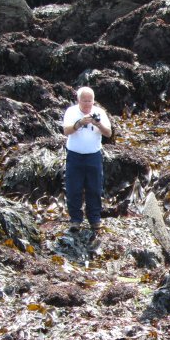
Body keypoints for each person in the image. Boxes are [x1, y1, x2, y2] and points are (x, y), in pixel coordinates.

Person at [62, 86, 112, 237]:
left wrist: (98, 124)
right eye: (84, 101)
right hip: (75, 155)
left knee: (95, 188)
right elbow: (66, 131)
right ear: (78, 100)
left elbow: (109, 133)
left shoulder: (100, 112)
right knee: (73, 188)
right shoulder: (71, 111)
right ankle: (75, 220)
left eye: (90, 101)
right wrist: (80, 123)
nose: (87, 104)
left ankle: (95, 219)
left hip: (93, 156)